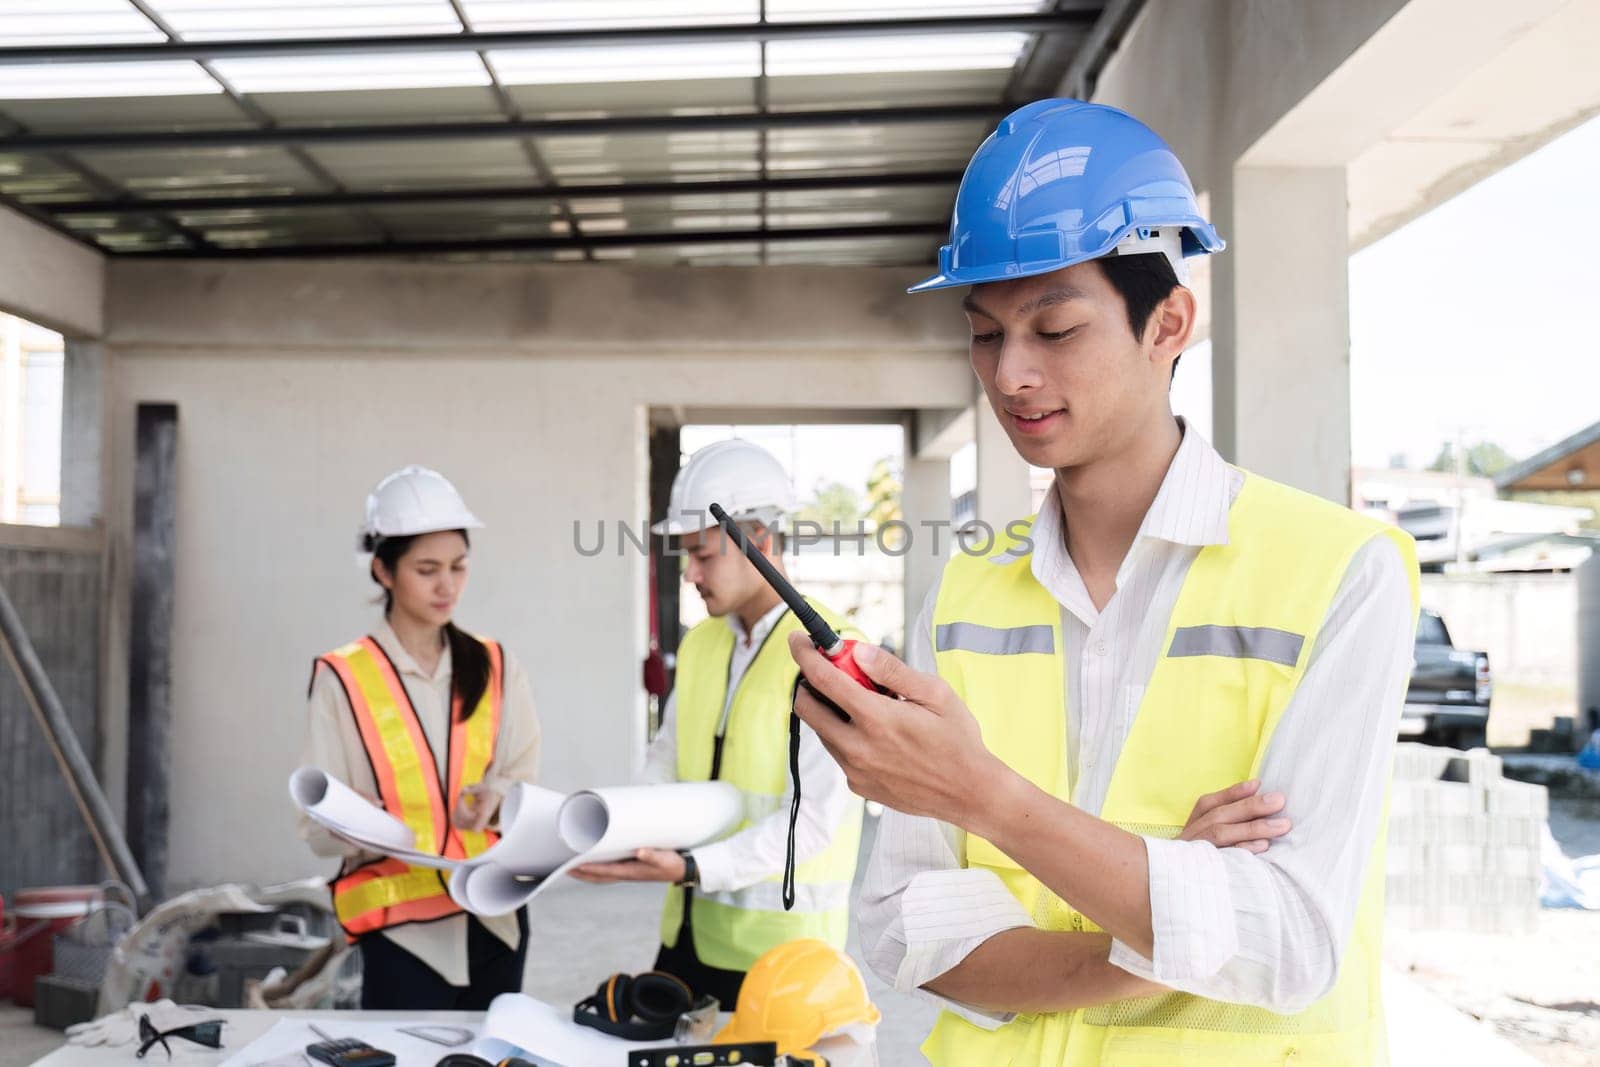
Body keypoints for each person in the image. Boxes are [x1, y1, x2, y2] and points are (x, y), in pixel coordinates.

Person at [789, 99, 1420, 1065]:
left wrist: (983, 798)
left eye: (1055, 328)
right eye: (987, 335)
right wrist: (1154, 937)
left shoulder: (1338, 573)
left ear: (1168, 321)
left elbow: (1289, 941)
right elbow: (908, 928)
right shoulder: (962, 598)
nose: (1011, 375)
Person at [571, 440, 864, 1007]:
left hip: (783, 955)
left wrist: (692, 865)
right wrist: (624, 832)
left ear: (762, 544)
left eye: (704, 556)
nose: (690, 574)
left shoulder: (835, 657)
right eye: (686, 556)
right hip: (687, 935)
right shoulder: (705, 643)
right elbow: (666, 755)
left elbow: (815, 823)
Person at [298, 465, 541, 1010]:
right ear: (383, 570)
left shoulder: (495, 665)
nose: (447, 585)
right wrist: (350, 820)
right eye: (427, 569)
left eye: (458, 566)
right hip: (402, 932)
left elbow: (523, 776)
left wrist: (497, 799)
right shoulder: (343, 676)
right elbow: (316, 823)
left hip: (494, 916)